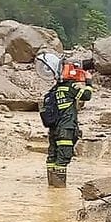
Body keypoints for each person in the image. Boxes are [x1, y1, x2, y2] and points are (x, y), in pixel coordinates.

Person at [38, 54, 93, 187]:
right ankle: (59, 190)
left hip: (54, 129)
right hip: (66, 128)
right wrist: (89, 82)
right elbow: (87, 95)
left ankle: (51, 186)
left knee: (52, 156)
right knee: (63, 158)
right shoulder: (70, 88)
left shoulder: (55, 90)